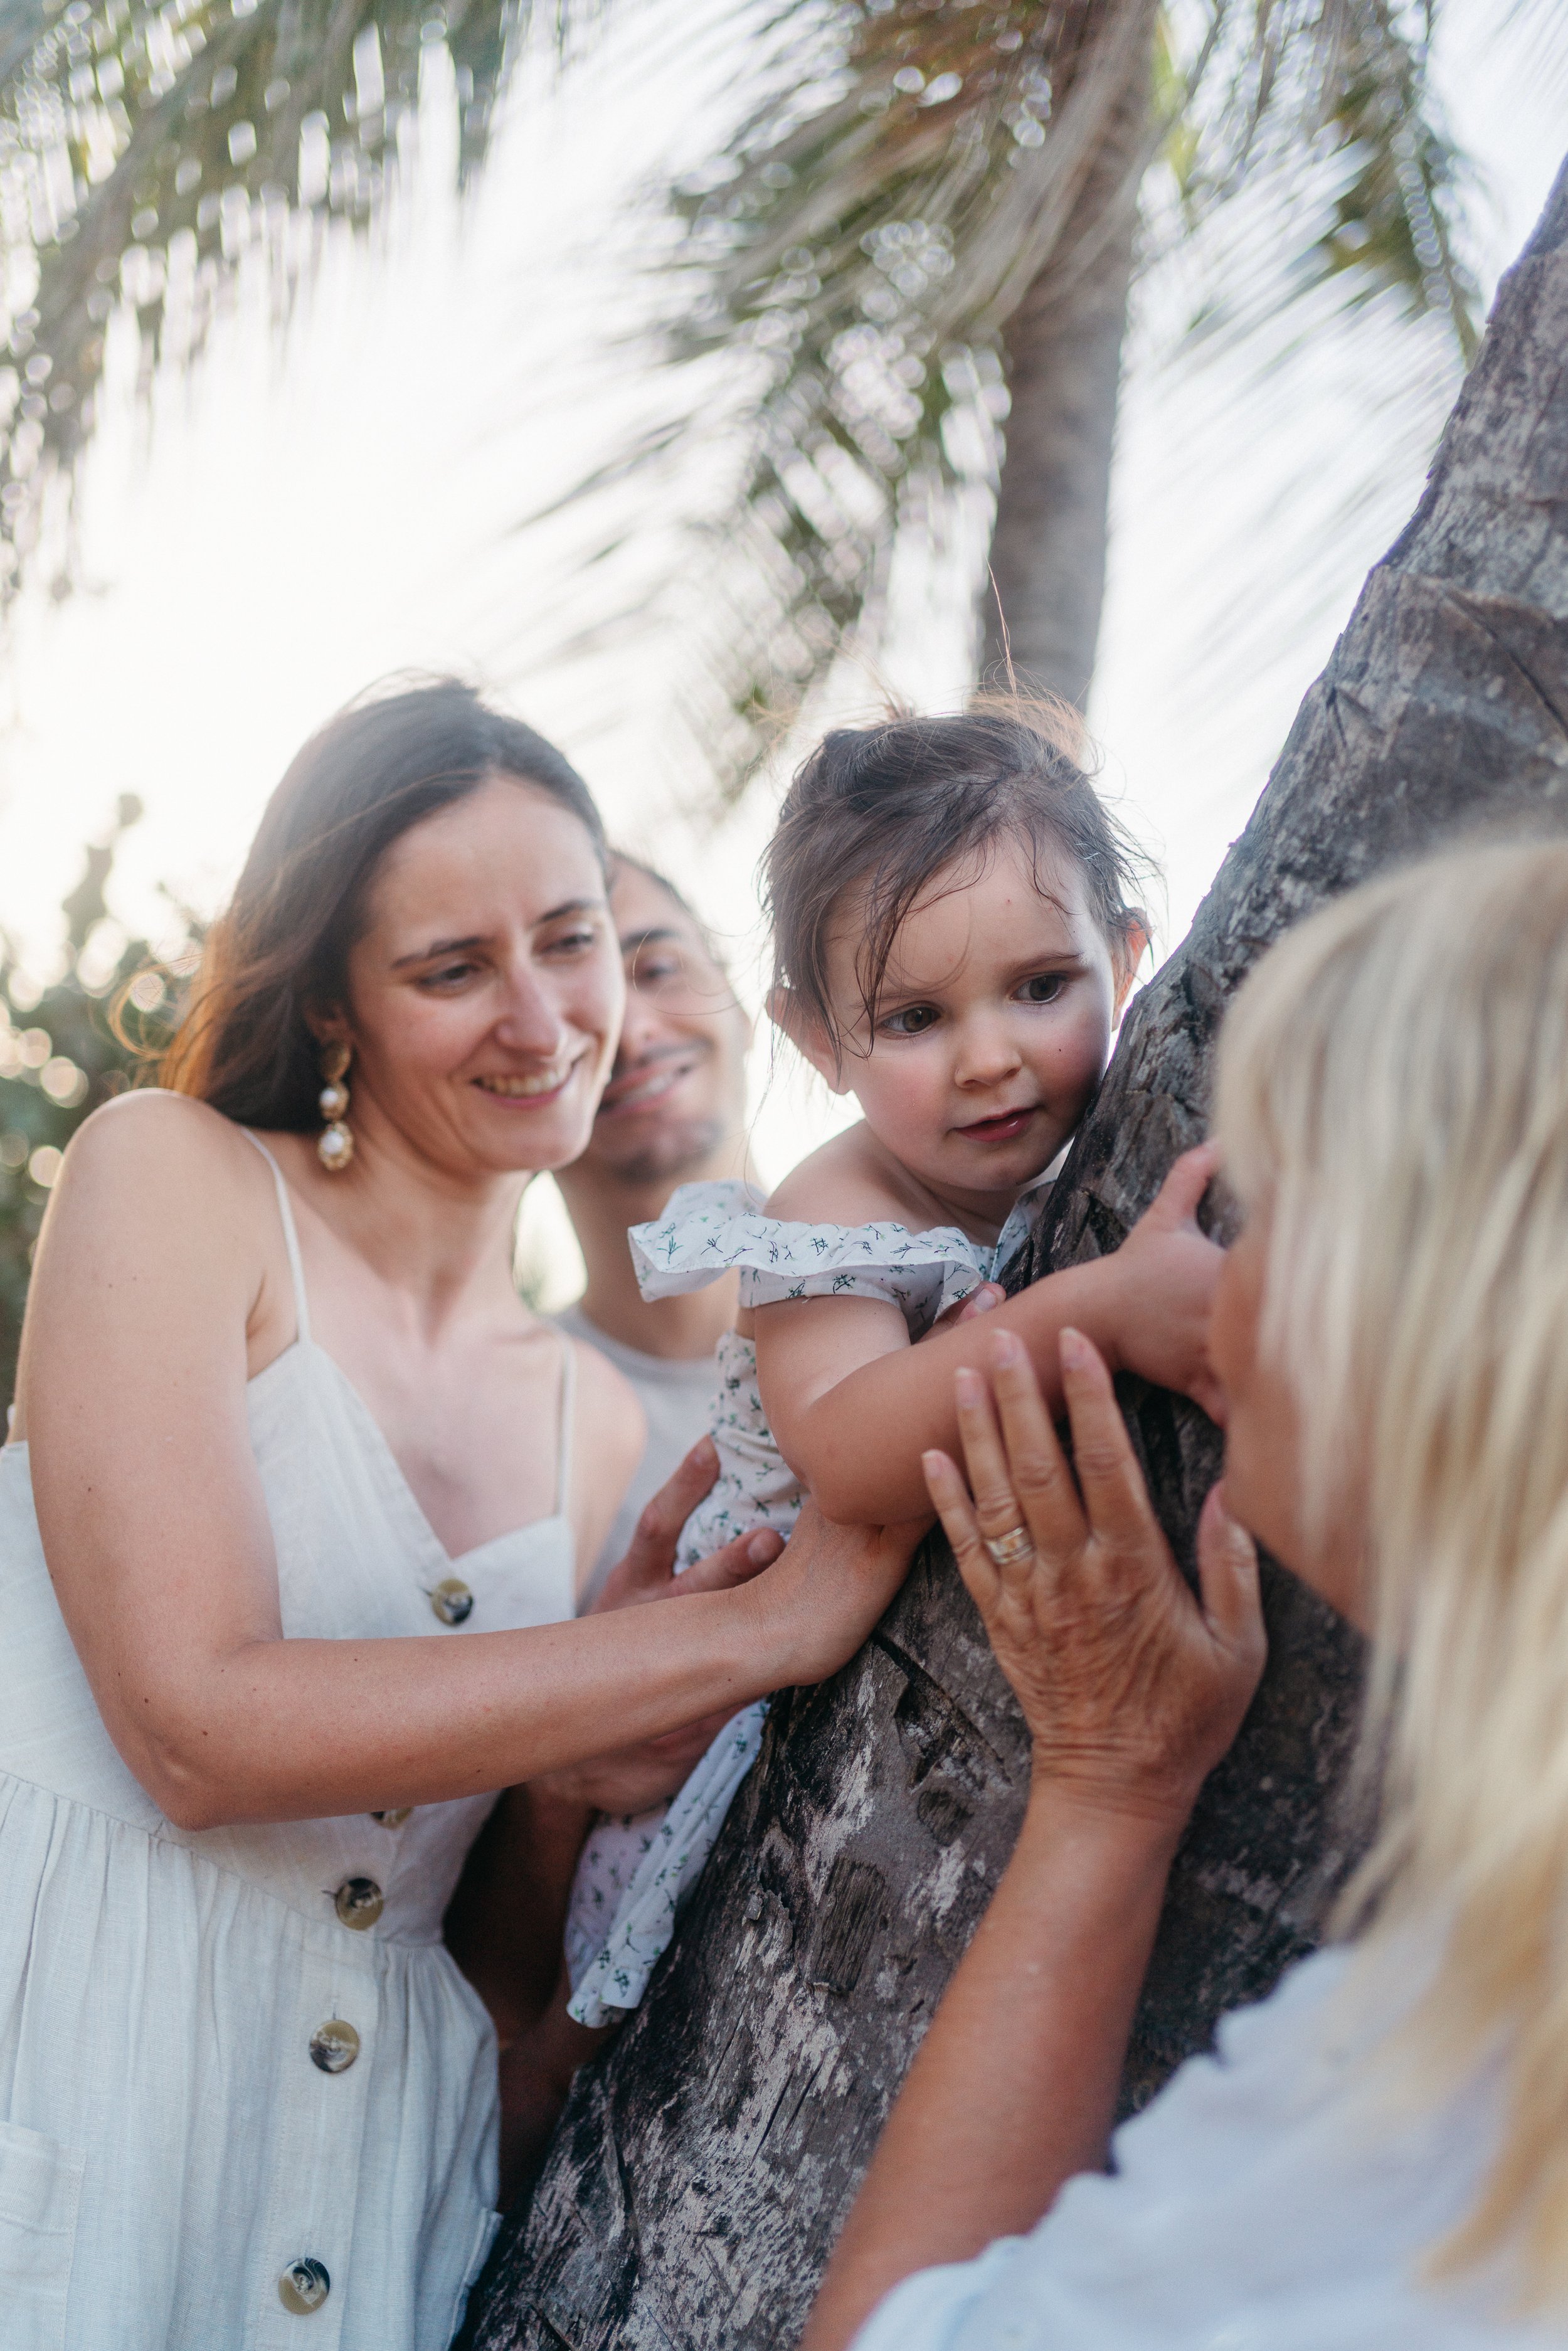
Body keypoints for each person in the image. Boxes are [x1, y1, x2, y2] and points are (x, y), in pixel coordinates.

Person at [0, 677, 923, 2351]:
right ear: (331, 1002)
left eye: (572, 939)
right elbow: (194, 1725)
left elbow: (483, 1969)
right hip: (77, 2102)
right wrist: (756, 1630)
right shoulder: (174, 1180)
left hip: (363, 2213)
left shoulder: (594, 1424)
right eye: (451, 968)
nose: (543, 1016)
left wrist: (570, 1780)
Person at [806, 836, 1568, 2351]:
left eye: (1264, 1205)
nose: (1225, 1271)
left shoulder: (1463, 2040)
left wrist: (1103, 1787)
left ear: (1428, 1299)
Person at [564, 700, 1227, 2028]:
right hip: (734, 1759)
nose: (989, 1058)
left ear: (1126, 957)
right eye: (915, 1016)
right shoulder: (832, 1208)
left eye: (1041, 987)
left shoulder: (1087, 1153)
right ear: (819, 1039)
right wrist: (1102, 1309)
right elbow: (852, 1454)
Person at [553, 856, 756, 1605]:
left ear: (740, 1003)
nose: (631, 1033)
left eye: (659, 969)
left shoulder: (944, 1281)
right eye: (573, 1004)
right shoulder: (494, 1425)